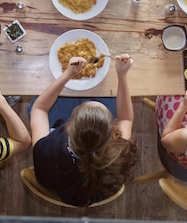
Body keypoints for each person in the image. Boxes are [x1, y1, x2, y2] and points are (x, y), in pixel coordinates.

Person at [29, 54, 136, 206]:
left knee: (34, 103)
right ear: (113, 132)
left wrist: (68, 74)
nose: (89, 100)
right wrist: (122, 74)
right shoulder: (119, 151)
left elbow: (39, 108)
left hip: (56, 178)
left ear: (68, 126)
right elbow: (125, 119)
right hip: (83, 190)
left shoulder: (46, 150)